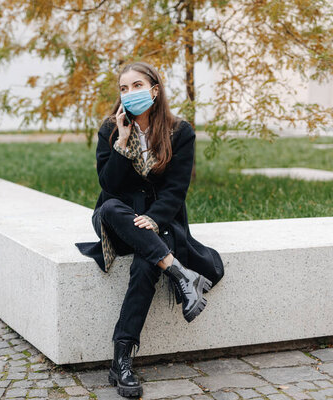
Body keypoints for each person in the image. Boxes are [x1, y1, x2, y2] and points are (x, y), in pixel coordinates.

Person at [74, 61, 225, 398]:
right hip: (121, 220)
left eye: (137, 86)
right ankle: (180, 273)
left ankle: (121, 360)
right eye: (124, 89)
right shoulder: (110, 129)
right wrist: (123, 142)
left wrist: (155, 219)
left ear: (154, 90)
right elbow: (110, 188)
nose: (130, 94)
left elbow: (175, 190)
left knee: (146, 263)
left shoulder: (179, 132)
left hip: (160, 222)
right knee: (111, 207)